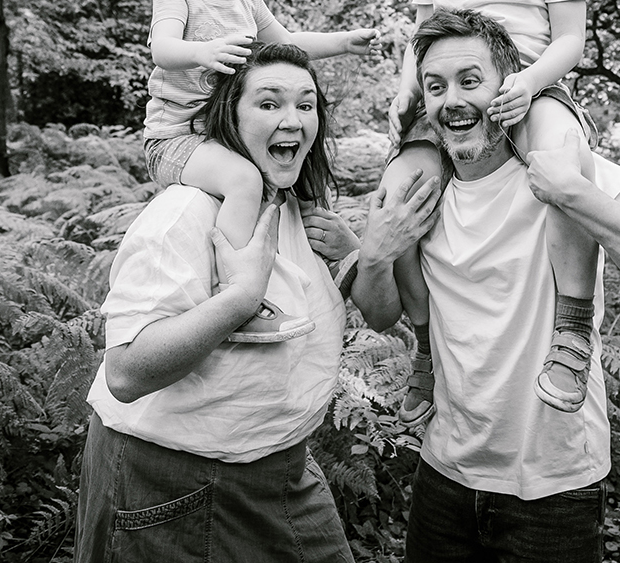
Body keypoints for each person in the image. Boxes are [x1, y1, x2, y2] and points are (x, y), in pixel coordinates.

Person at [353, 9, 620, 562]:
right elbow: (379, 314)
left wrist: (574, 194)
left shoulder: (561, 167)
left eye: (471, 81)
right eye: (437, 86)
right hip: (443, 473)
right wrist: (374, 256)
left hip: (554, 489)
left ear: (508, 87)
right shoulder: (422, 189)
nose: (453, 100)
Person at [76, 43, 422, 563]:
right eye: (269, 103)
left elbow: (381, 313)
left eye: (306, 105)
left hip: (280, 469)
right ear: (228, 118)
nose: (293, 119)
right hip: (171, 479)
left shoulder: (298, 211)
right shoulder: (186, 213)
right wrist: (239, 299)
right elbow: (125, 373)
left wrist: (369, 255)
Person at [379, 0, 602, 424]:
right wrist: (407, 91)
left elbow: (569, 41)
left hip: (526, 89)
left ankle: (572, 330)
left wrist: (528, 85)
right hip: (447, 94)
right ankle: (424, 344)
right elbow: (420, 43)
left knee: (564, 164)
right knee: (399, 195)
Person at [144, 0, 378, 343]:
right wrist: (201, 52)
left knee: (305, 171)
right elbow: (161, 46)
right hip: (175, 138)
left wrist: (342, 43)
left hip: (223, 132)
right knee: (245, 179)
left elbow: (287, 43)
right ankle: (234, 293)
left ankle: (329, 267)